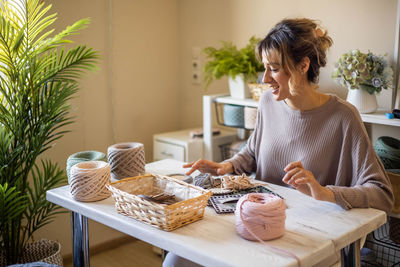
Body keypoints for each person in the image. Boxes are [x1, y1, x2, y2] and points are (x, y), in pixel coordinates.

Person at [163, 17, 394, 267]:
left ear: (303, 65)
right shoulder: (267, 103)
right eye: (265, 68)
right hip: (257, 224)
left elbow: (382, 194)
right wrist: (227, 166)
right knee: (176, 260)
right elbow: (252, 152)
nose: (264, 79)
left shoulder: (344, 117)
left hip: (309, 238)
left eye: (273, 68)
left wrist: (324, 192)